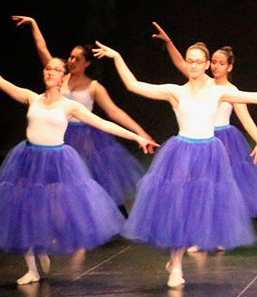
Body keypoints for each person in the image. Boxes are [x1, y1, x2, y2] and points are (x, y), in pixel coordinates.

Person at [93, 38, 257, 288]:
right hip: (181, 151)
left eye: (198, 62)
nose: (193, 66)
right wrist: (116, 57)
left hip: (210, 153)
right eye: (189, 61)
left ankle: (184, 255)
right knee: (179, 205)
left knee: (199, 204)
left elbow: (256, 97)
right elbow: (133, 85)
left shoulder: (218, 91)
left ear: (206, 64)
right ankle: (176, 263)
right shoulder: (174, 91)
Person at [0, 48, 158, 285]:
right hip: (27, 158)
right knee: (24, 209)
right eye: (48, 69)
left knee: (51, 207)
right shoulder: (31, 97)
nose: (51, 72)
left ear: (63, 77)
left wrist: (137, 137)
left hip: (56, 160)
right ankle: (32, 269)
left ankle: (43, 246)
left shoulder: (70, 107)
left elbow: (104, 123)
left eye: (57, 70)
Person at [12, 15, 155, 217]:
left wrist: (140, 132)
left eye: (77, 59)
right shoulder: (59, 77)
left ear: (87, 63)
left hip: (85, 135)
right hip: (58, 131)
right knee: (54, 182)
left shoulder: (93, 86)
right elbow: (43, 50)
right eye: (70, 57)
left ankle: (96, 217)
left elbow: (113, 112)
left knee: (85, 178)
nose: (71, 61)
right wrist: (34, 25)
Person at [151, 22, 257, 221]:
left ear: (229, 66)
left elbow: (245, 117)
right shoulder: (204, 82)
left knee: (218, 185)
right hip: (198, 138)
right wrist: (169, 42)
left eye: (221, 63)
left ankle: (218, 227)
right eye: (214, 62)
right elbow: (181, 64)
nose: (216, 66)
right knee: (194, 183)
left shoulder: (231, 91)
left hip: (223, 140)